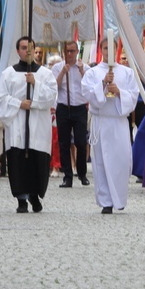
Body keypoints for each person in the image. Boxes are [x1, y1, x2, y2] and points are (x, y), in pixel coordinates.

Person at [0, 37, 58, 213]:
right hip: (16, 125)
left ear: (35, 49)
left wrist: (35, 84)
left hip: (38, 125)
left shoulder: (45, 74)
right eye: (23, 48)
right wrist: (18, 104)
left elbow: (52, 97)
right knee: (18, 161)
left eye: (30, 48)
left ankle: (34, 195)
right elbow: (0, 100)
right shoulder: (9, 73)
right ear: (18, 51)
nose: (27, 51)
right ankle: (21, 199)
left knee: (37, 162)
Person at [81, 36, 138, 214]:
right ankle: (106, 201)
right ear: (101, 50)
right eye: (105, 48)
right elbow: (87, 93)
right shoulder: (93, 72)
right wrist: (104, 83)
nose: (108, 52)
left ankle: (119, 199)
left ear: (117, 49)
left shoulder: (126, 72)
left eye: (111, 48)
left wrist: (119, 92)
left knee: (120, 161)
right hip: (101, 121)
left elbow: (134, 95)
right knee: (101, 162)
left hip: (119, 121)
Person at [52, 41, 90, 188]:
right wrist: (63, 72)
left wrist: (82, 72)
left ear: (77, 52)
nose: (69, 54)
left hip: (79, 107)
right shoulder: (57, 67)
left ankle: (82, 173)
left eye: (72, 51)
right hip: (63, 107)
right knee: (64, 143)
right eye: (67, 51)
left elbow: (89, 85)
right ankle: (67, 176)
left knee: (81, 142)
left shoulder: (84, 67)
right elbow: (55, 86)